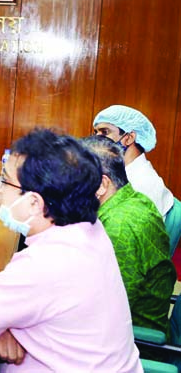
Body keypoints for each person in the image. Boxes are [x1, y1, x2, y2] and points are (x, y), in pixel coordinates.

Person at [0, 129, 141, 372]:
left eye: (4, 181)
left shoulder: (46, 264)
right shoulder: (91, 230)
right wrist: (0, 326)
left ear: (34, 202)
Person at [81, 135, 174, 335]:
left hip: (132, 339)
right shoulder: (131, 198)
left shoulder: (120, 228)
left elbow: (104, 311)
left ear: (101, 185)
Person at [93, 105, 175, 217]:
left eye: (105, 132)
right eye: (96, 132)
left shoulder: (144, 184)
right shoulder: (115, 174)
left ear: (129, 138)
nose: (97, 138)